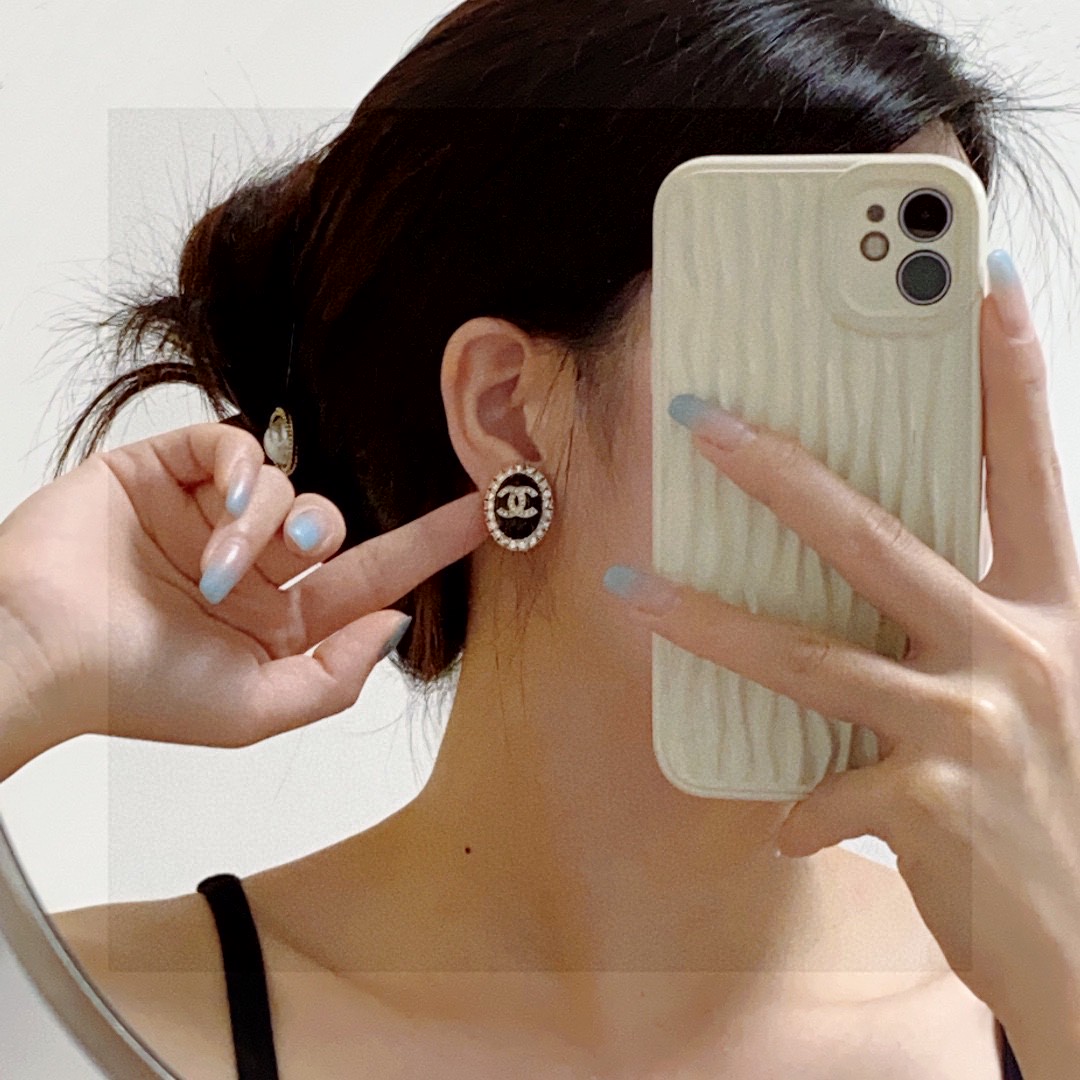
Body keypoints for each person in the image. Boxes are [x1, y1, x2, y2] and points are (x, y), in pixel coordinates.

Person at [5, 0, 1076, 1076]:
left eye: (932, 357)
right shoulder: (100, 1014)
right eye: (819, 352)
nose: (910, 453)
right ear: (508, 410)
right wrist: (19, 648)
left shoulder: (1036, 999)